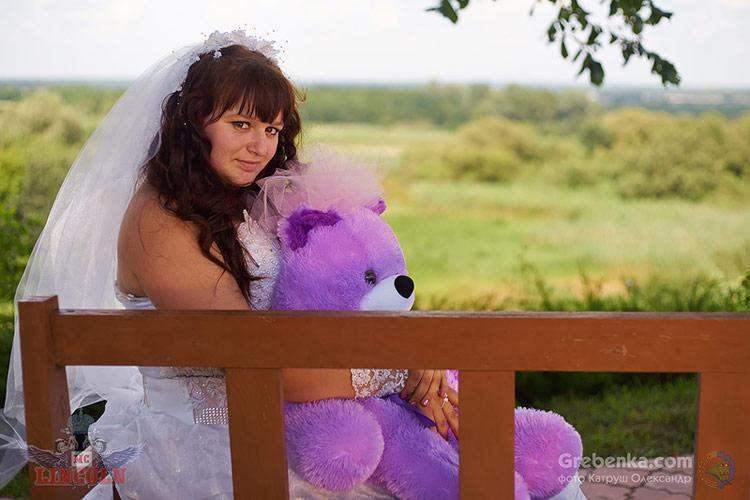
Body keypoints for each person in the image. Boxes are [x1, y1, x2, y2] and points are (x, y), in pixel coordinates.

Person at [0, 30, 458, 498]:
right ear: (191, 122)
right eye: (241, 124)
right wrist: (395, 373)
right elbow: (252, 355)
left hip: (282, 425)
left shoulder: (250, 203)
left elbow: (332, 300)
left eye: (272, 129)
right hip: (204, 452)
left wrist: (413, 354)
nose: (261, 146)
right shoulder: (160, 220)